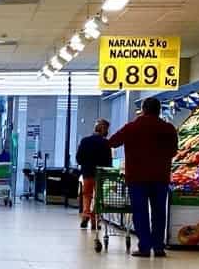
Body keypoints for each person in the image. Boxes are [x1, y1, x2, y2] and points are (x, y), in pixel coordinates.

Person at [109, 98, 178, 257]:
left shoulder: (132, 127)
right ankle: (159, 247)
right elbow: (174, 151)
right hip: (160, 177)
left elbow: (112, 142)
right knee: (159, 213)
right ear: (159, 110)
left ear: (143, 109)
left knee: (140, 213)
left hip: (137, 178)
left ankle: (144, 247)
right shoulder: (168, 128)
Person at [76, 119, 113, 229]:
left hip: (87, 173)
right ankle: (94, 220)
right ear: (103, 129)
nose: (107, 132)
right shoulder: (106, 143)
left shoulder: (85, 141)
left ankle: (86, 215)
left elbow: (78, 158)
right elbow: (108, 162)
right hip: (100, 174)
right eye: (107, 129)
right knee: (98, 198)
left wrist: (85, 165)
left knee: (87, 195)